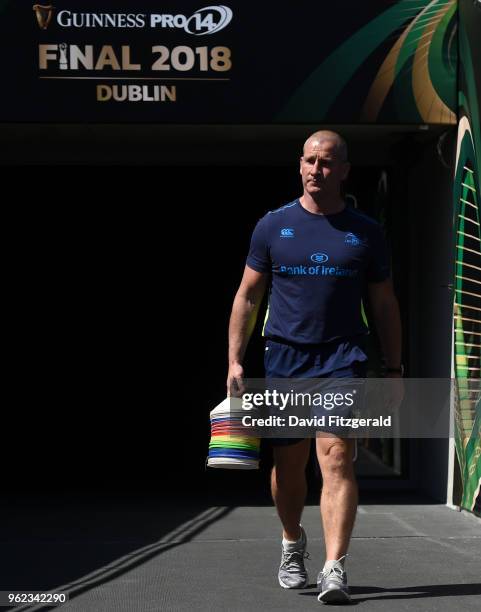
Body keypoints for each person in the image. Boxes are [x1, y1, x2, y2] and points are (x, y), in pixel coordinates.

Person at [226, 130, 403, 604]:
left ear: (344, 170)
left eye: (326, 163)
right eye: (309, 161)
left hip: (343, 357)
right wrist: (235, 359)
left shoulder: (366, 231)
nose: (315, 170)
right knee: (289, 464)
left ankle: (334, 567)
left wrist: (394, 368)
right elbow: (248, 295)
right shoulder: (272, 226)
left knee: (337, 459)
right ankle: (291, 543)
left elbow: (384, 303)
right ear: (299, 164)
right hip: (284, 356)